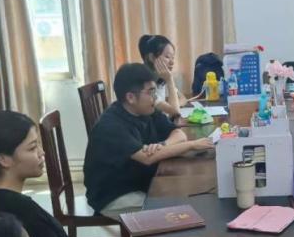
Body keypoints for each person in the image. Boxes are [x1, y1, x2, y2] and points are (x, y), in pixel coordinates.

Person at [84, 63, 214, 215]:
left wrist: (162, 145)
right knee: (173, 210)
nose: (155, 98)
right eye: (151, 92)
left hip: (139, 181)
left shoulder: (146, 109)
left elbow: (179, 134)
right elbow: (146, 158)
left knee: (187, 195)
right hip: (114, 195)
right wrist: (191, 145)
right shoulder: (111, 125)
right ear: (131, 97)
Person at [139, 33, 190, 118]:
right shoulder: (145, 85)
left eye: (173, 58)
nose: (172, 62)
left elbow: (183, 99)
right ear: (152, 57)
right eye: (167, 57)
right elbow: (175, 114)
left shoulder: (161, 78)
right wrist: (170, 80)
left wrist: (169, 106)